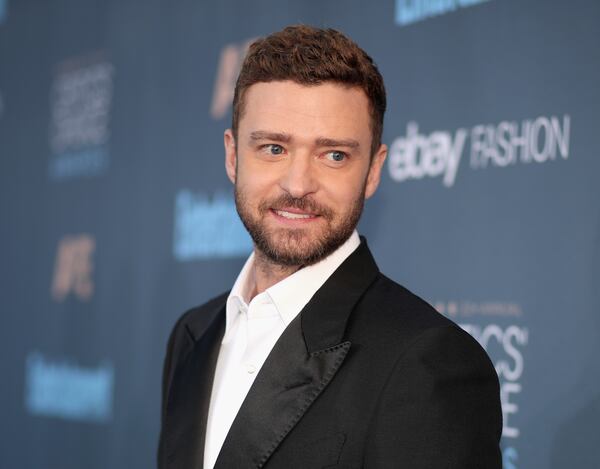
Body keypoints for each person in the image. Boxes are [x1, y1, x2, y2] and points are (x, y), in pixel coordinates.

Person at [158, 25, 502, 469]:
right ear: (232, 155)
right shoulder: (193, 336)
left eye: (334, 155)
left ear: (374, 171)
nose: (298, 184)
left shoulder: (425, 363)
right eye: (273, 148)